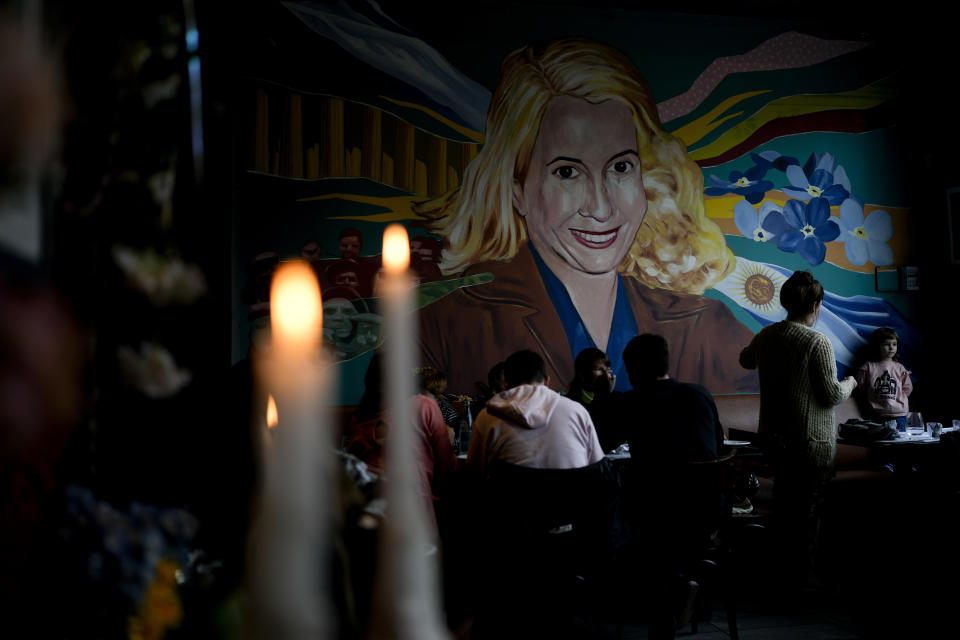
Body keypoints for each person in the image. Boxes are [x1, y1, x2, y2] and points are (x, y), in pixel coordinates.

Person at [414, 37, 758, 396]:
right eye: (567, 172)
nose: (600, 207)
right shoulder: (442, 329)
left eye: (621, 167)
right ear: (518, 190)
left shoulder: (705, 325)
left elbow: (773, 408)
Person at [739, 270, 856, 595]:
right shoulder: (816, 341)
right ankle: (803, 582)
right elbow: (831, 394)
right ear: (816, 304)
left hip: (776, 441)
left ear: (785, 301)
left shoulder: (767, 335)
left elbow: (746, 360)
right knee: (807, 513)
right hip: (811, 442)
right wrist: (852, 382)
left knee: (785, 509)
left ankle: (779, 577)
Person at [465, 349, 604, 478]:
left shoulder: (488, 416)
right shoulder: (577, 411)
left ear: (505, 384)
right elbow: (597, 466)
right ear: (547, 381)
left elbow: (474, 475)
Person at [855, 327, 913, 432]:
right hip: (877, 414)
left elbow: (907, 387)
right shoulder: (868, 366)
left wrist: (898, 398)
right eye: (886, 344)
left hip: (899, 413)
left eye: (894, 344)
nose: (891, 348)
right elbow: (860, 385)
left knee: (898, 439)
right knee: (879, 440)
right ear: (877, 346)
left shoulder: (899, 367)